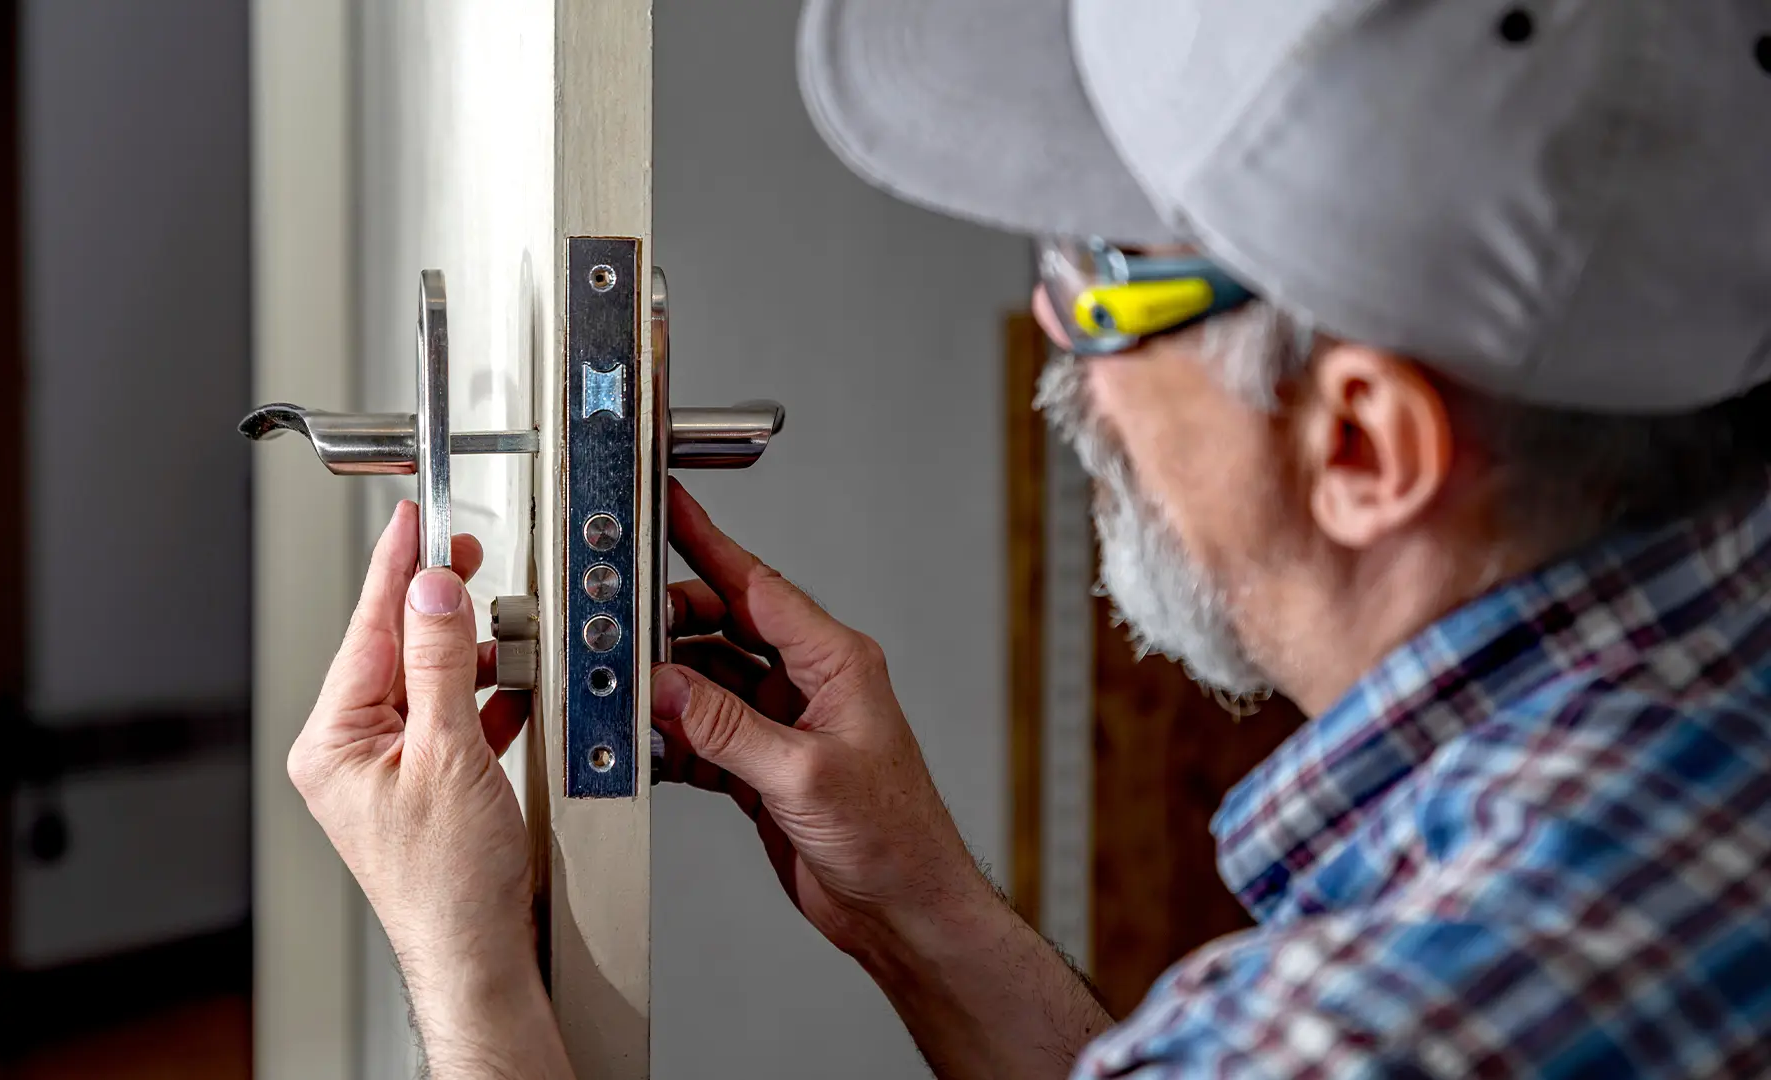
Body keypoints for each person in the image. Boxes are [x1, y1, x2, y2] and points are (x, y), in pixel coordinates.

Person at [283, 0, 1771, 1076]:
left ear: (1363, 445)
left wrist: (470, 979)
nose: (1061, 349)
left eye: (1108, 272)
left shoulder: (1370, 1032)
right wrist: (924, 913)